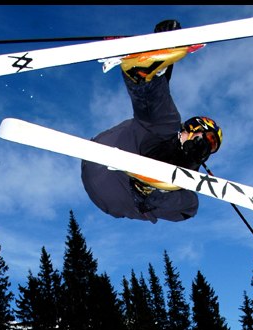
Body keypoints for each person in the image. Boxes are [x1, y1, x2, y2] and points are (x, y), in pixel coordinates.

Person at [80, 20, 223, 224]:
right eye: (207, 137)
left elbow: (182, 209)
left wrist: (191, 162)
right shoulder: (166, 128)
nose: (207, 145)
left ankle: (148, 186)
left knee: (190, 204)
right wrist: (163, 43)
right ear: (191, 128)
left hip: (124, 199)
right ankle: (143, 71)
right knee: (166, 126)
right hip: (103, 162)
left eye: (212, 146)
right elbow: (157, 109)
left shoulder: (187, 174)